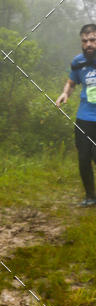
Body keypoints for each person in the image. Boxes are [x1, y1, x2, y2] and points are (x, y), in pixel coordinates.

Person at [56, 23, 96, 206]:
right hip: (85, 117)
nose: (88, 44)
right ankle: (90, 196)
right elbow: (71, 83)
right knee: (83, 158)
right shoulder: (78, 62)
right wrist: (65, 93)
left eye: (93, 40)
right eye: (85, 41)